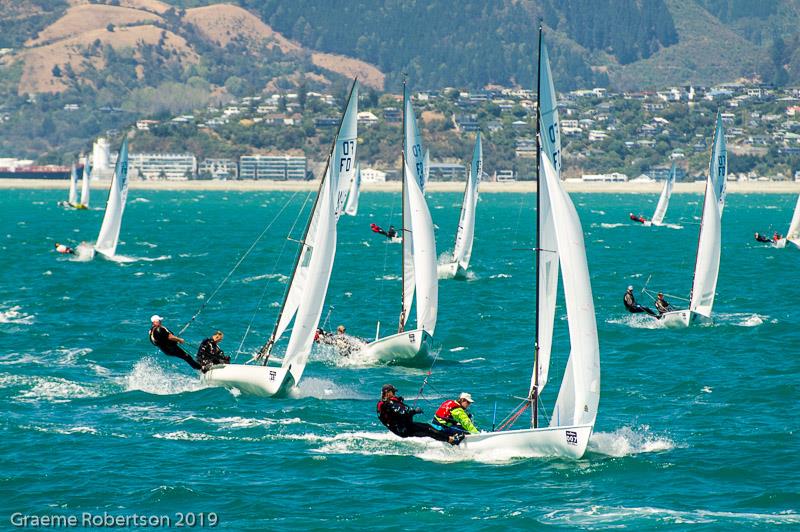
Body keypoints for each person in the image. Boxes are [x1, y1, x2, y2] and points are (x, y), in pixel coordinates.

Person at [376, 384, 462, 445]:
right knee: (429, 429)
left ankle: (447, 438)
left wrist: (399, 402)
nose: (395, 394)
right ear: (388, 393)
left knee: (428, 430)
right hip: (404, 429)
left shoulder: (384, 403)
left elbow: (397, 414)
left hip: (402, 429)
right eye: (393, 392)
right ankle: (451, 440)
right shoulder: (388, 404)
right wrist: (415, 411)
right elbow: (403, 412)